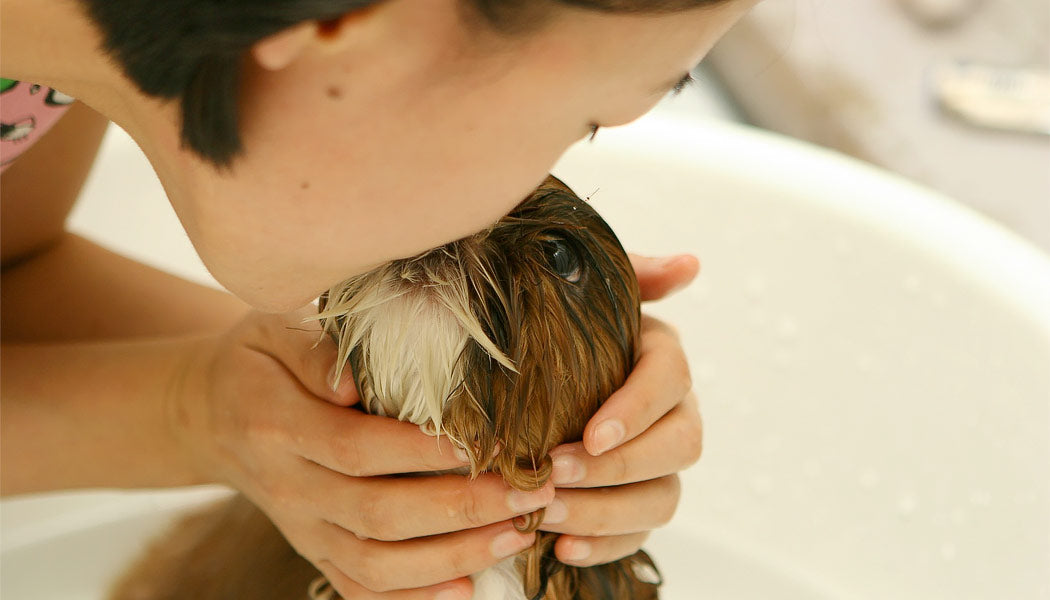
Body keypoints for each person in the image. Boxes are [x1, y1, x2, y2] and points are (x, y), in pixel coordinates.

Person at [0, 0, 755, 598]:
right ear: (337, 27)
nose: (528, 188)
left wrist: (310, 420)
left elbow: (13, 274)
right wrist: (189, 417)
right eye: (581, 123)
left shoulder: (52, 59)